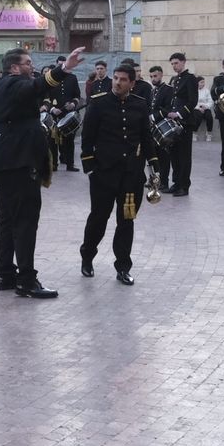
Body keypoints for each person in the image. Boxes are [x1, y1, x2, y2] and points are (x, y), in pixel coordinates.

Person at [0, 46, 86, 298]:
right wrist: (64, 68)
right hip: (16, 162)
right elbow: (36, 86)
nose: (32, 67)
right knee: (25, 221)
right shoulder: (14, 83)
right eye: (28, 63)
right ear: (14, 67)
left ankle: (6, 275)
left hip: (2, 161)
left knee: (8, 219)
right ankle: (26, 281)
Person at [78, 63, 158, 286]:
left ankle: (123, 267)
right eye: (115, 78)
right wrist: (90, 168)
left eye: (123, 80)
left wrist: (154, 165)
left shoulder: (140, 105)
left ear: (132, 83)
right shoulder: (98, 103)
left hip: (131, 175)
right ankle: (87, 257)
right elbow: (87, 138)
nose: (117, 83)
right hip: (103, 174)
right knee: (98, 219)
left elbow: (146, 137)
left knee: (126, 222)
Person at [166, 53, 199, 197]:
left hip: (185, 121)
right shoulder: (175, 79)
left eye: (176, 63)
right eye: (172, 64)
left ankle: (184, 186)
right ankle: (176, 183)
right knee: (174, 154)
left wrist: (179, 114)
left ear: (183, 62)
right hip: (174, 122)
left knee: (184, 156)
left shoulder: (190, 78)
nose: (174, 66)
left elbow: (193, 101)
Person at [147, 66, 175, 191]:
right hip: (153, 128)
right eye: (151, 76)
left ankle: (164, 182)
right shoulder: (153, 91)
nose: (153, 78)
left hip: (163, 127)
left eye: (155, 76)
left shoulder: (168, 89)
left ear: (161, 75)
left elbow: (168, 108)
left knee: (164, 157)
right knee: (154, 156)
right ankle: (155, 180)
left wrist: (153, 116)